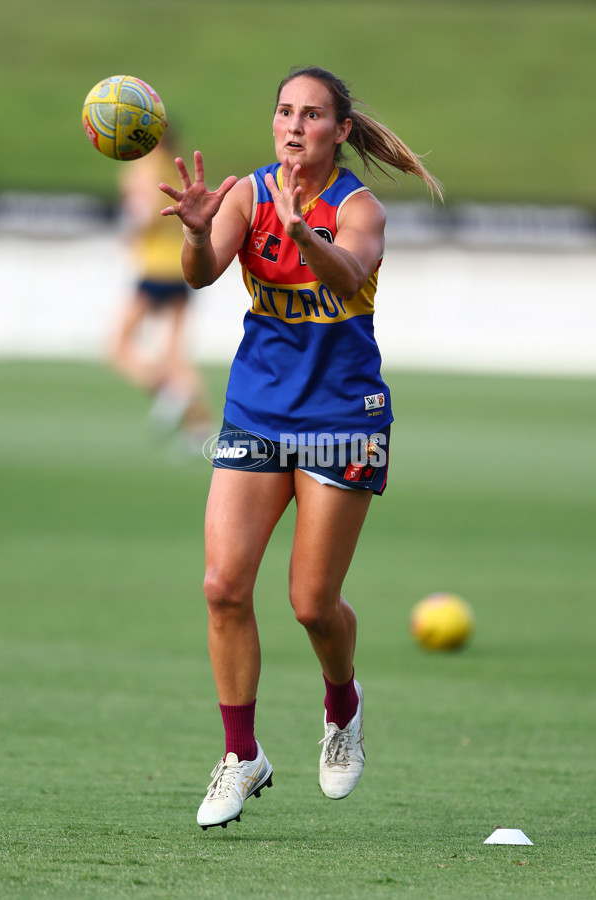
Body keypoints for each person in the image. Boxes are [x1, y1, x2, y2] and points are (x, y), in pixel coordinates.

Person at [159, 66, 441, 830]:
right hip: (258, 409)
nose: (293, 126)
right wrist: (192, 231)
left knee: (313, 605)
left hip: (345, 414)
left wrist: (298, 230)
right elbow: (202, 274)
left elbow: (348, 277)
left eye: (312, 115)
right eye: (284, 111)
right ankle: (241, 754)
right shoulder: (248, 193)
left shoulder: (360, 208)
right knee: (222, 585)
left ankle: (342, 706)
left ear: (340, 131)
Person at [109, 130, 212, 448]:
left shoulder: (144, 168)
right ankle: (199, 428)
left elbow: (143, 213)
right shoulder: (175, 168)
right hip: (182, 267)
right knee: (175, 352)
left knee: (118, 345)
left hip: (154, 268)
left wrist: (127, 233)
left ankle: (169, 391)